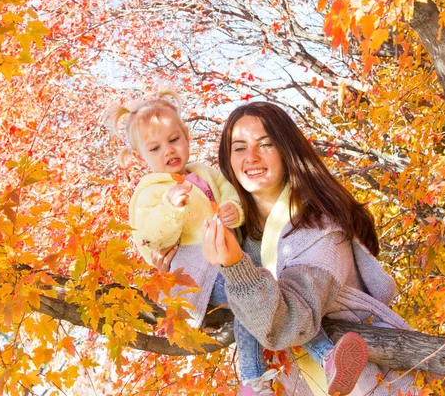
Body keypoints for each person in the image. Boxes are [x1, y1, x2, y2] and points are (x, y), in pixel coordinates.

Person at [109, 91, 365, 395]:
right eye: (155, 148)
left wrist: (235, 210)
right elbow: (149, 236)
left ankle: (271, 374)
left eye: (174, 140)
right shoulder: (151, 190)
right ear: (141, 157)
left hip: (226, 265)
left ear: (187, 137)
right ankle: (267, 374)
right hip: (195, 271)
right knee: (249, 297)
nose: (168, 151)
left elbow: (229, 197)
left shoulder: (204, 174)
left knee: (252, 298)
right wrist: (169, 209)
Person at [195, 101, 420, 395]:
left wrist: (236, 268)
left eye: (266, 144)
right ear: (227, 159)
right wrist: (169, 262)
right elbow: (203, 292)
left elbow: (290, 323)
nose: (251, 157)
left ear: (287, 150)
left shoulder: (320, 231)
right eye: (239, 148)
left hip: (368, 386)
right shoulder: (242, 234)